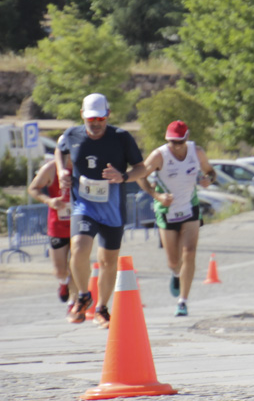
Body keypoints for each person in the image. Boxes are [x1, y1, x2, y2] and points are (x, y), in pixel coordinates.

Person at [56, 93, 144, 328]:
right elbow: (60, 148)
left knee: (107, 261)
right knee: (78, 249)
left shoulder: (122, 138)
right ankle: (84, 295)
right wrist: (61, 171)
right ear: (83, 116)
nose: (95, 125)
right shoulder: (72, 135)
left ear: (108, 116)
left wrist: (123, 176)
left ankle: (102, 308)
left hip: (112, 208)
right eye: (91, 120)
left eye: (100, 120)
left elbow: (141, 168)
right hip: (84, 205)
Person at [124, 120, 217, 317]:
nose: (175, 145)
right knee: (173, 261)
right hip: (166, 210)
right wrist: (157, 196)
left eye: (179, 142)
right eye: (171, 141)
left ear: (187, 138)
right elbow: (141, 175)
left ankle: (183, 301)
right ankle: (175, 274)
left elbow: (210, 171)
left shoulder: (196, 152)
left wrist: (208, 179)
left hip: (190, 207)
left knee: (189, 252)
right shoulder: (160, 155)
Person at [27, 157, 73, 307]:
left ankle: (75, 302)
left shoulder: (85, 163)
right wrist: (49, 201)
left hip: (81, 223)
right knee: (60, 270)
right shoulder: (51, 168)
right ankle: (63, 282)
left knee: (78, 264)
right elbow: (33, 188)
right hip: (57, 224)